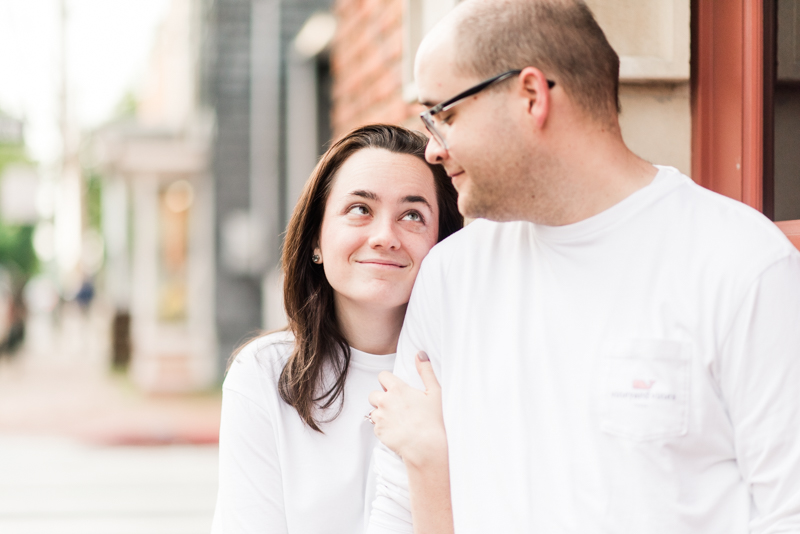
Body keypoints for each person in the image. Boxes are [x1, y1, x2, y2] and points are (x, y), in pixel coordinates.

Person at [367, 1, 800, 533]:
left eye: (445, 114)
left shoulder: (741, 265)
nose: (432, 149)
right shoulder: (451, 276)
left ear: (531, 96)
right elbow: (395, 498)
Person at [211, 124, 462, 533]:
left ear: (442, 243)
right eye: (360, 209)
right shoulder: (264, 376)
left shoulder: (466, 375)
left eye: (412, 215)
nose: (385, 237)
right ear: (316, 240)